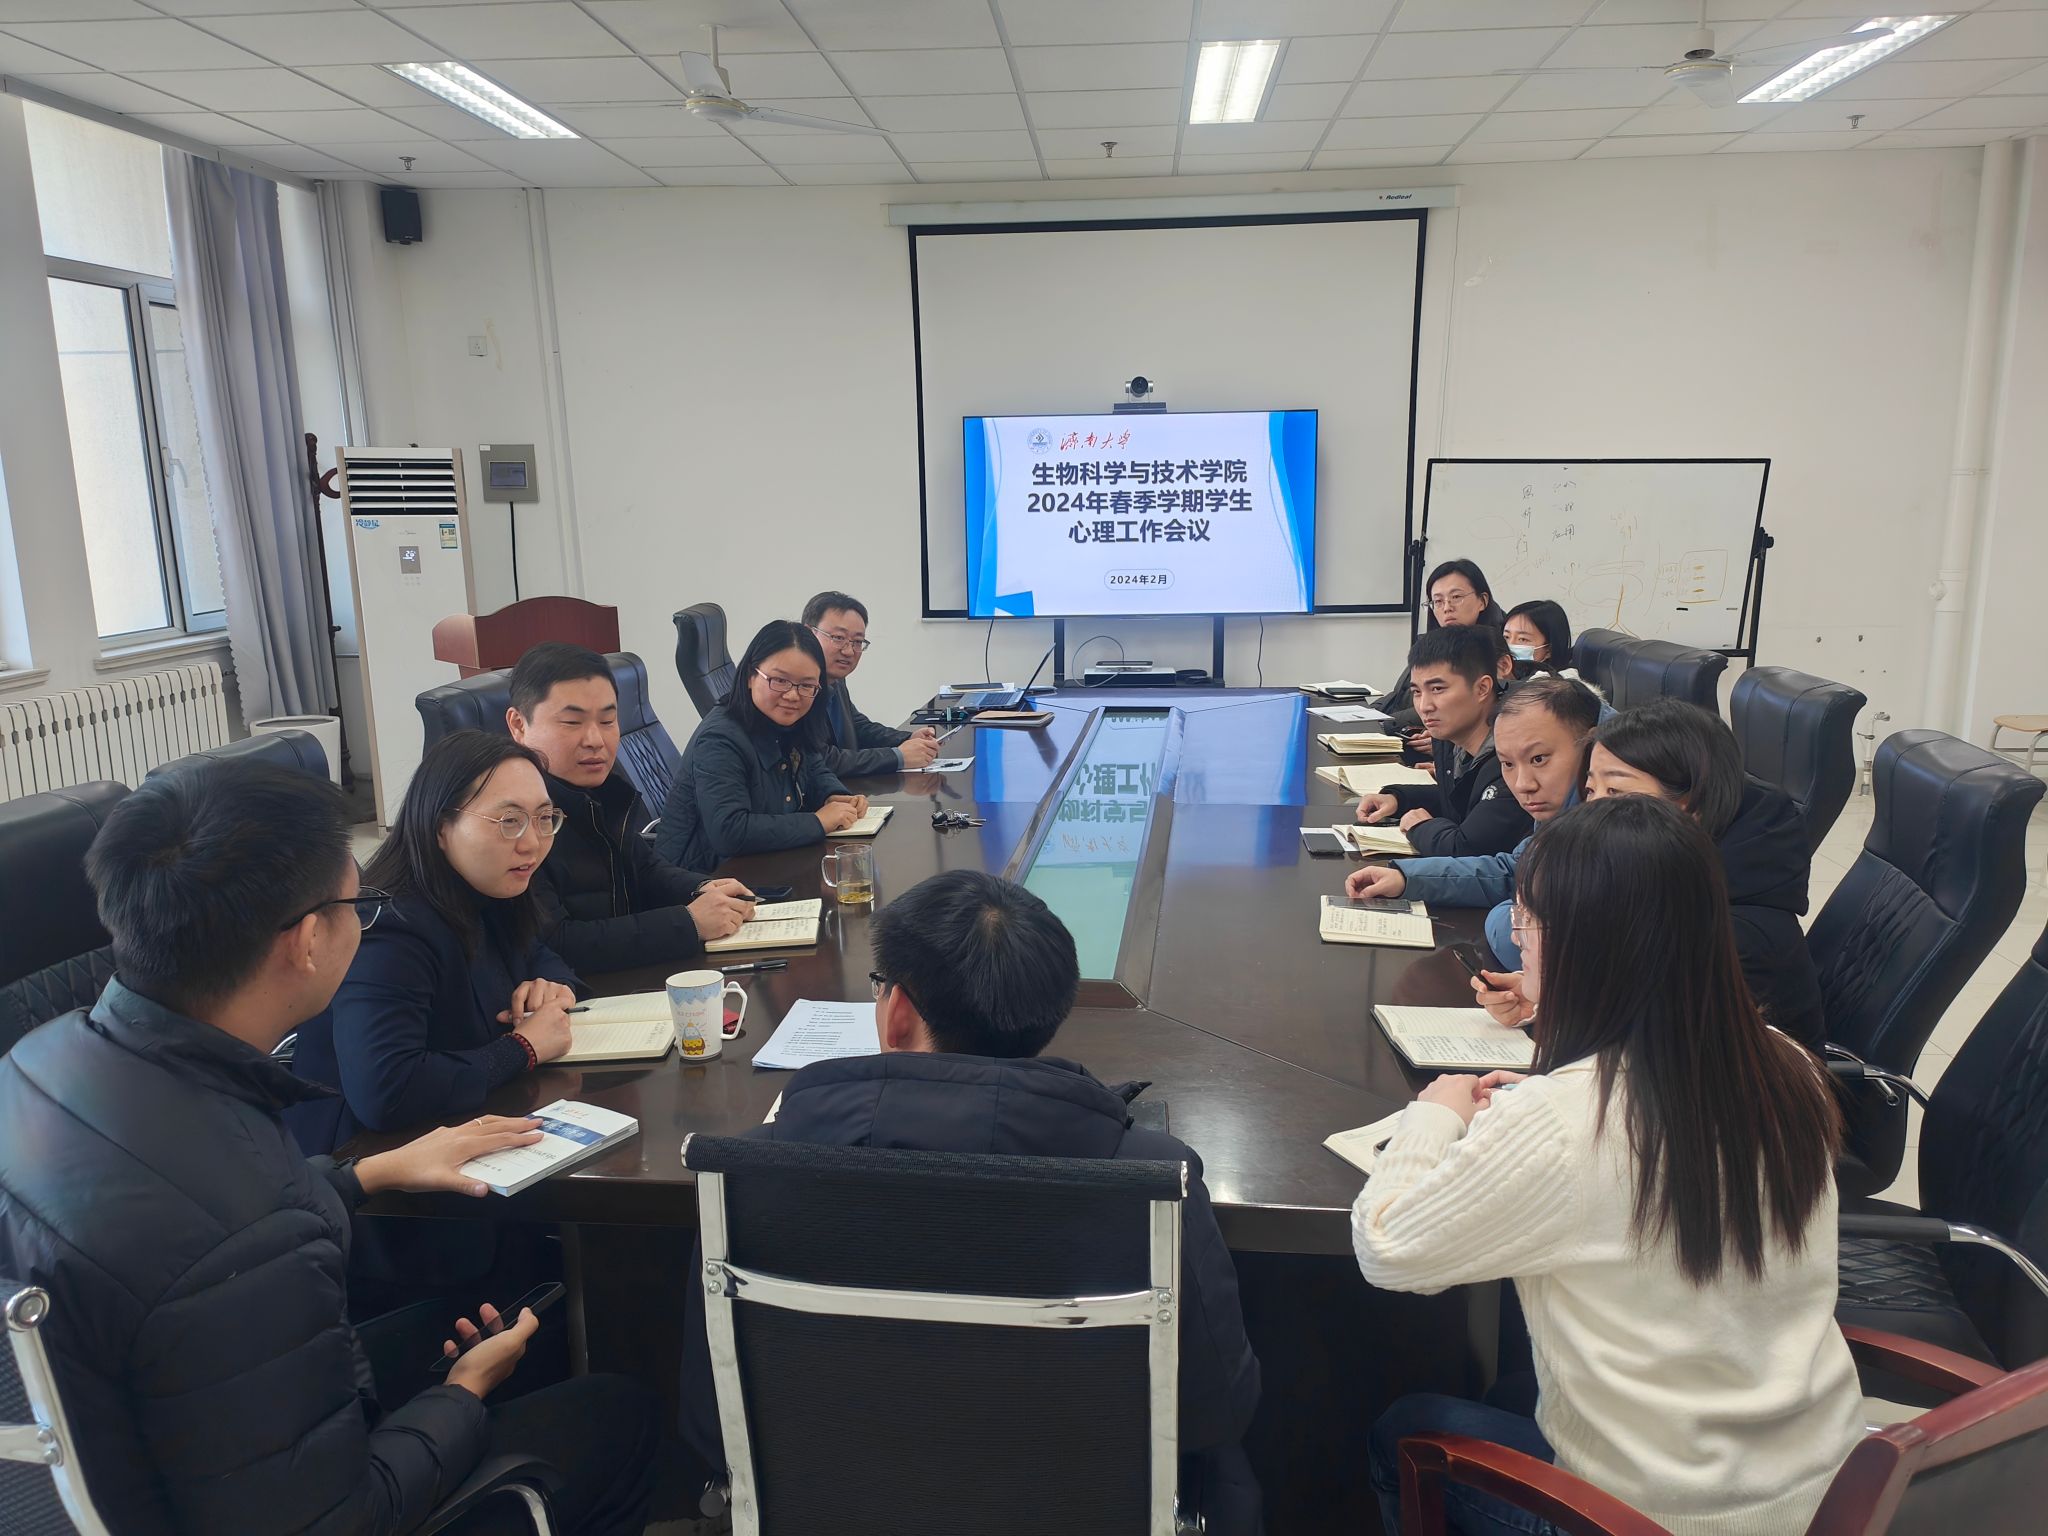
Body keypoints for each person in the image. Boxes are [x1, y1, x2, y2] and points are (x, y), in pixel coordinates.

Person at [0, 757, 658, 1536]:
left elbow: (185, 1226)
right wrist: (462, 1396)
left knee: (503, 1318)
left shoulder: (37, 1061)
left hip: (124, 1461)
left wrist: (365, 1174)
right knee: (621, 1407)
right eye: (359, 907)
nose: (365, 925)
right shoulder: (251, 1222)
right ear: (309, 940)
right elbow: (339, 1519)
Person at [677, 870, 1263, 1533]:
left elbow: (712, 1418)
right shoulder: (1147, 1179)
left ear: (897, 1014)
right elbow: (1218, 1410)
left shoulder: (752, 1171)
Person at [1358, 797, 1862, 1536]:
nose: (1517, 941)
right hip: (1825, 1494)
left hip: (1649, 1517)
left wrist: (1434, 1115)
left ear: (1587, 945)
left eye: (1526, 923)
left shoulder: (1566, 1121)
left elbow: (1389, 1249)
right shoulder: (1786, 1064)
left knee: (1404, 1429)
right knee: (1513, 1384)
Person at [287, 731, 585, 1153]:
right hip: (364, 1158)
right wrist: (523, 1048)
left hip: (461, 1123)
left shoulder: (489, 884)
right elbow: (386, 1091)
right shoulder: (390, 930)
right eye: (509, 821)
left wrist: (553, 986)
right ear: (441, 827)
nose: (532, 842)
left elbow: (539, 951)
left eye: (543, 818)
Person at [1473, 699, 1826, 1051]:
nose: (1591, 810)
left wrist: (1558, 997)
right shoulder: (1654, 883)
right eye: (1591, 790)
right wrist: (1545, 1000)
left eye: (1616, 793)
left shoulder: (1729, 937)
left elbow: (1659, 1062)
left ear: (1690, 805)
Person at [506, 641, 758, 974]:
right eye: (572, 722)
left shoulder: (601, 792)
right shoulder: (513, 821)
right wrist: (689, 922)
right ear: (518, 725)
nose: (595, 740)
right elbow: (557, 943)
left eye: (608, 721)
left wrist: (700, 888)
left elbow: (646, 868)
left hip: (628, 975)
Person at [1346, 676, 1601, 961]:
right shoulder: (1563, 811)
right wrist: (1406, 878)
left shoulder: (1613, 830)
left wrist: (1505, 914)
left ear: (1591, 747)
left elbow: (1523, 935)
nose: (1522, 784)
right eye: (1507, 764)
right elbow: (1514, 871)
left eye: (1539, 759)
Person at [655, 619, 868, 870]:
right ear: (750, 676)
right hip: (704, 878)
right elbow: (729, 831)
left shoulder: (791, 719)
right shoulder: (720, 739)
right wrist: (818, 822)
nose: (792, 695)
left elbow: (814, 766)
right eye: (780, 681)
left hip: (764, 864)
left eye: (807, 685)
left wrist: (834, 795)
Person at [1357, 625, 1532, 858]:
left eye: (1438, 689)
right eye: (1417, 692)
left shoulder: (1512, 755)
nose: (1424, 706)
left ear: (1482, 688)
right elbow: (1457, 801)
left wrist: (1421, 827)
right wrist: (1398, 799)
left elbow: (1468, 849)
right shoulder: (1448, 737)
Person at [804, 589, 942, 773]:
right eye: (838, 638)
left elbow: (858, 727)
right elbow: (821, 760)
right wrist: (898, 756)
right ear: (808, 634)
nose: (848, 651)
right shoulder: (797, 689)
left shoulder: (835, 680)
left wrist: (907, 739)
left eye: (857, 641)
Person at [1376, 559, 1508, 737]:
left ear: (1482, 601)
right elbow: (1399, 694)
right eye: (1438, 601)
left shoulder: (1494, 649)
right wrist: (1368, 713)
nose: (1447, 608)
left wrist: (1382, 723)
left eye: (1456, 597)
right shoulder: (1432, 645)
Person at [1502, 599, 1574, 680]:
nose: (1510, 645)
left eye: (1522, 639)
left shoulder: (1560, 684)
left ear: (1549, 650)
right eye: (1506, 637)